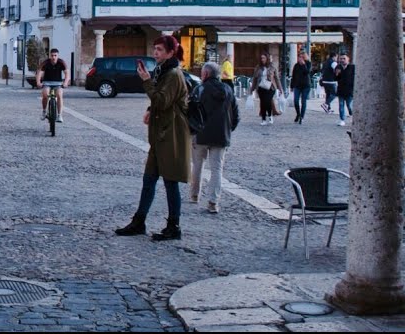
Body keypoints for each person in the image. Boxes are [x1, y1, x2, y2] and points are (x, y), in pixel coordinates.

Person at [116, 35, 191, 241]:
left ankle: (174, 226)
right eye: (155, 49)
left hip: (171, 135)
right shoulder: (163, 70)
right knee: (149, 179)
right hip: (160, 135)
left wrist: (146, 81)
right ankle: (139, 221)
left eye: (159, 49)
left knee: (170, 181)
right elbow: (159, 99)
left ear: (170, 52)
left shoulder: (174, 74)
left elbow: (163, 100)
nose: (155, 53)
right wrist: (151, 108)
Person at [188, 62, 239, 214]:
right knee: (217, 169)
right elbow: (236, 114)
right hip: (221, 135)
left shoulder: (199, 89)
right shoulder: (228, 90)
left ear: (205, 74)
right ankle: (213, 202)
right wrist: (229, 129)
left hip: (200, 134)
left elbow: (190, 112)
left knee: (197, 166)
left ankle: (194, 195)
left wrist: (192, 131)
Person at [35, 49, 68, 122]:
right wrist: (38, 82)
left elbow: (67, 73)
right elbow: (39, 73)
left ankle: (59, 115)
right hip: (47, 82)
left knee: (59, 95)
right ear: (50, 56)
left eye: (55, 55)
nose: (53, 57)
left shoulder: (61, 62)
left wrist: (65, 82)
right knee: (45, 94)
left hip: (58, 83)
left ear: (57, 56)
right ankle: (44, 111)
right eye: (52, 55)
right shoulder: (45, 63)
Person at [251, 53, 281, 125]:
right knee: (263, 103)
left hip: (270, 87)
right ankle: (263, 119)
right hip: (261, 87)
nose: (262, 60)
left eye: (264, 58)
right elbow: (255, 78)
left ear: (267, 59)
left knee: (267, 101)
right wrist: (252, 89)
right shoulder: (258, 67)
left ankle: (270, 115)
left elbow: (277, 78)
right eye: (261, 58)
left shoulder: (272, 67)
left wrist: (280, 88)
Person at [289, 51, 312, 125]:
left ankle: (302, 117)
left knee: (303, 101)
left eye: (302, 57)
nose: (300, 59)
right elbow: (294, 76)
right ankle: (298, 114)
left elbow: (307, 72)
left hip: (306, 85)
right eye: (299, 57)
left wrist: (304, 65)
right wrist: (292, 86)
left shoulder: (308, 63)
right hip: (297, 85)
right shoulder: (296, 65)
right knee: (296, 101)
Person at [335, 54, 356, 127]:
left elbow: (354, 78)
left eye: (344, 58)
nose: (342, 60)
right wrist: (337, 74)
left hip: (349, 89)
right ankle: (342, 119)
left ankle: (353, 116)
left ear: (348, 59)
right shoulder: (338, 67)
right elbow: (336, 78)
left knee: (349, 105)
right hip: (341, 89)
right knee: (341, 105)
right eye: (341, 59)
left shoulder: (352, 67)